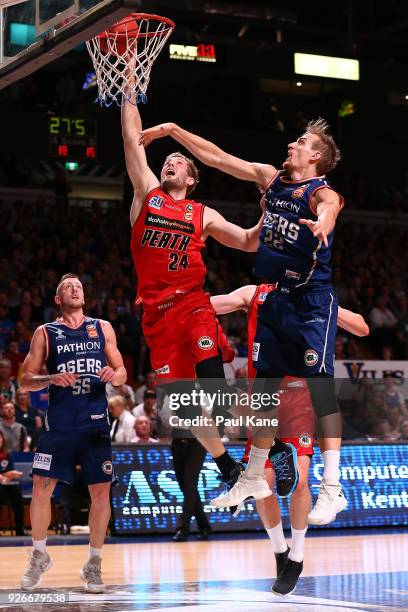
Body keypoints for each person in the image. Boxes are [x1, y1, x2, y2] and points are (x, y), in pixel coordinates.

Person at [140, 117, 347, 524]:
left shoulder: (319, 191)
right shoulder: (270, 179)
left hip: (311, 300)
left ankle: (333, 487)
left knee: (321, 387)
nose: (292, 143)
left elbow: (330, 206)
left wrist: (323, 223)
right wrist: (174, 130)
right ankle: (252, 474)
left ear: (316, 155)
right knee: (264, 390)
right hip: (275, 296)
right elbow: (216, 158)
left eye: (301, 141)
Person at [121, 87, 284, 499]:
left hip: (193, 305)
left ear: (191, 180)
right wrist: (128, 92)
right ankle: (228, 466)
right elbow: (131, 139)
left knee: (214, 391)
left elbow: (249, 241)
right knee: (185, 408)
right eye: (168, 161)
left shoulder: (202, 213)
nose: (170, 162)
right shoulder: (146, 197)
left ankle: (273, 445)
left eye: (178, 161)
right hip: (155, 319)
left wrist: (268, 211)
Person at [210, 283, 369, 594]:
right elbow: (209, 304)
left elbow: (362, 328)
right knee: (262, 485)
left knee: (300, 479)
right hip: (265, 398)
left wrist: (330, 311)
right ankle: (279, 550)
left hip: (299, 398)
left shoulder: (314, 296)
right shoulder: (256, 293)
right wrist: (171, 300)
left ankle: (296, 556)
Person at [19, 273, 127, 592]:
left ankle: (94, 564)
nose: (75, 288)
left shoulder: (102, 327)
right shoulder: (45, 332)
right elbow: (25, 379)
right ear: (57, 299)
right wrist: (51, 378)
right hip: (60, 424)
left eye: (78, 286)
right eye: (68, 286)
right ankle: (39, 555)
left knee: (101, 492)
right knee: (41, 486)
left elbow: (121, 372)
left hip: (94, 423)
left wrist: (114, 374)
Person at [0, 429, 25, 535]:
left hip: (6, 484)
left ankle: (20, 529)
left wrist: (5, 476)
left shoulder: (7, 454)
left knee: (17, 493)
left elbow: (11, 473)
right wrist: (6, 475)